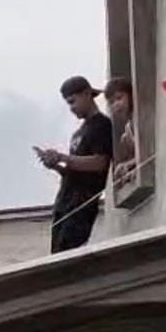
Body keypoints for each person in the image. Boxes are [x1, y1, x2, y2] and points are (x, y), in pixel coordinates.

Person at [35, 76, 113, 253]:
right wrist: (55, 164)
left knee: (68, 255)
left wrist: (62, 157)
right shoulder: (79, 132)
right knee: (56, 254)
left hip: (82, 203)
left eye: (73, 101)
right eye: (68, 104)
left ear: (87, 94)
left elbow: (100, 163)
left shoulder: (101, 125)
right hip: (65, 201)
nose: (71, 108)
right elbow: (73, 172)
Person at [104, 77, 136, 185]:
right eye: (111, 102)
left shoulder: (140, 119)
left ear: (131, 96)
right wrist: (127, 165)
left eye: (119, 98)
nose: (116, 105)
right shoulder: (127, 130)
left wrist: (129, 164)